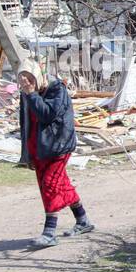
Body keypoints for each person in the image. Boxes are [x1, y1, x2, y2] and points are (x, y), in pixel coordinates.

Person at [17, 63, 93, 248]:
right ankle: (83, 220)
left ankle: (49, 232)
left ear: (39, 76)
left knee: (50, 185)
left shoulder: (56, 90)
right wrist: (27, 152)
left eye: (30, 77)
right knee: (61, 185)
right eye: (23, 78)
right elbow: (26, 121)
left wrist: (32, 94)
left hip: (57, 146)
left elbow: (47, 115)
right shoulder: (27, 94)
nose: (27, 82)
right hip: (40, 149)